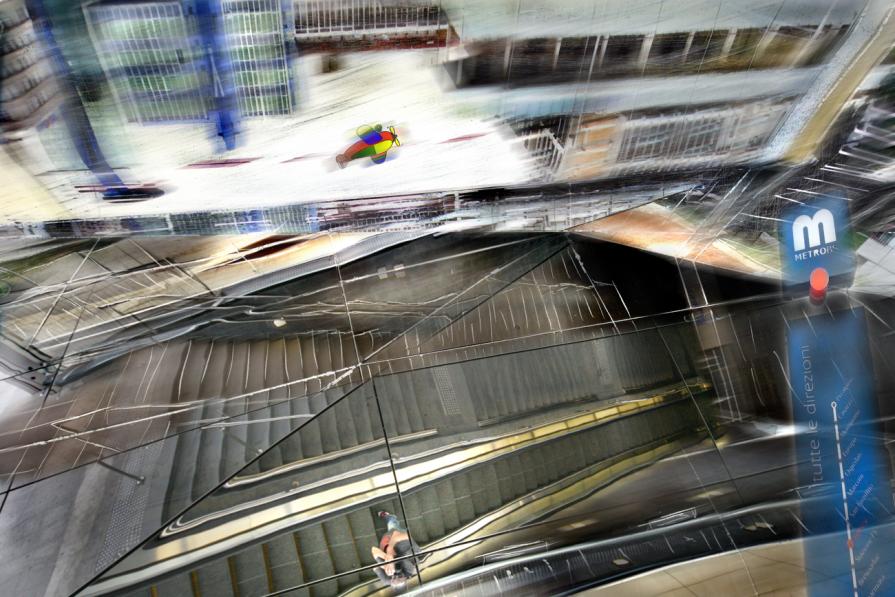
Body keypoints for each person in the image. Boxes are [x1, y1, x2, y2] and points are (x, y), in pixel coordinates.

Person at [371, 511, 420, 588]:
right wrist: (390, 553)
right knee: (392, 525)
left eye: (395, 577)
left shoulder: (387, 579)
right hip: (396, 537)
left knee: (386, 534)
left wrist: (385, 564)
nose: (397, 574)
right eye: (401, 576)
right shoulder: (411, 556)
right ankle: (390, 517)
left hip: (385, 542)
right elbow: (396, 534)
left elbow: (374, 550)